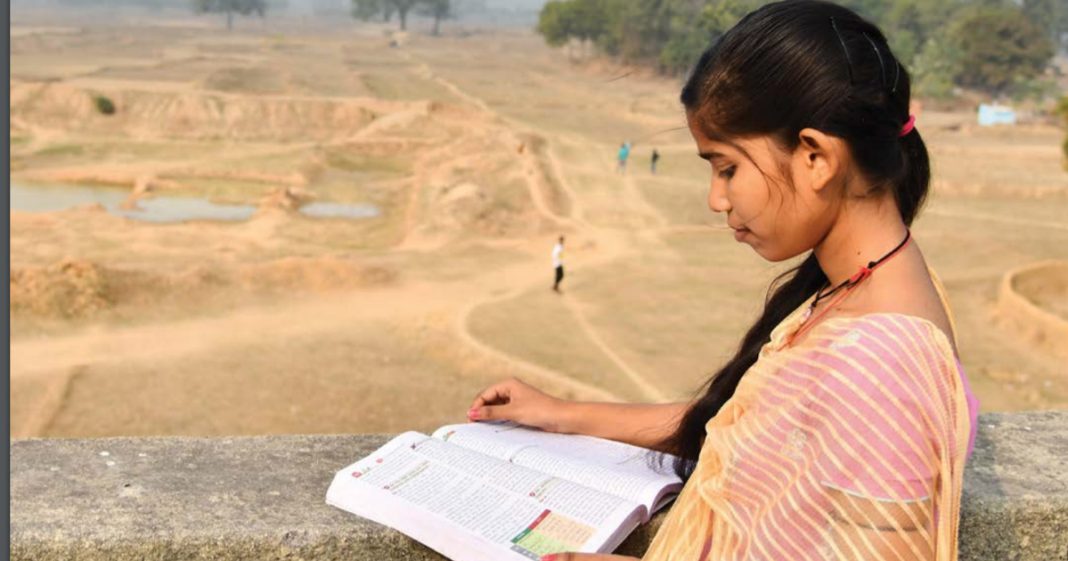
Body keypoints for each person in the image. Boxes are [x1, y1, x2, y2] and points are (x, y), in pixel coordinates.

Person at [467, 2, 979, 560]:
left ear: (815, 157)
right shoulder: (867, 286)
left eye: (727, 167)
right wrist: (563, 414)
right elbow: (745, 425)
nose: (716, 199)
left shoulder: (879, 367)